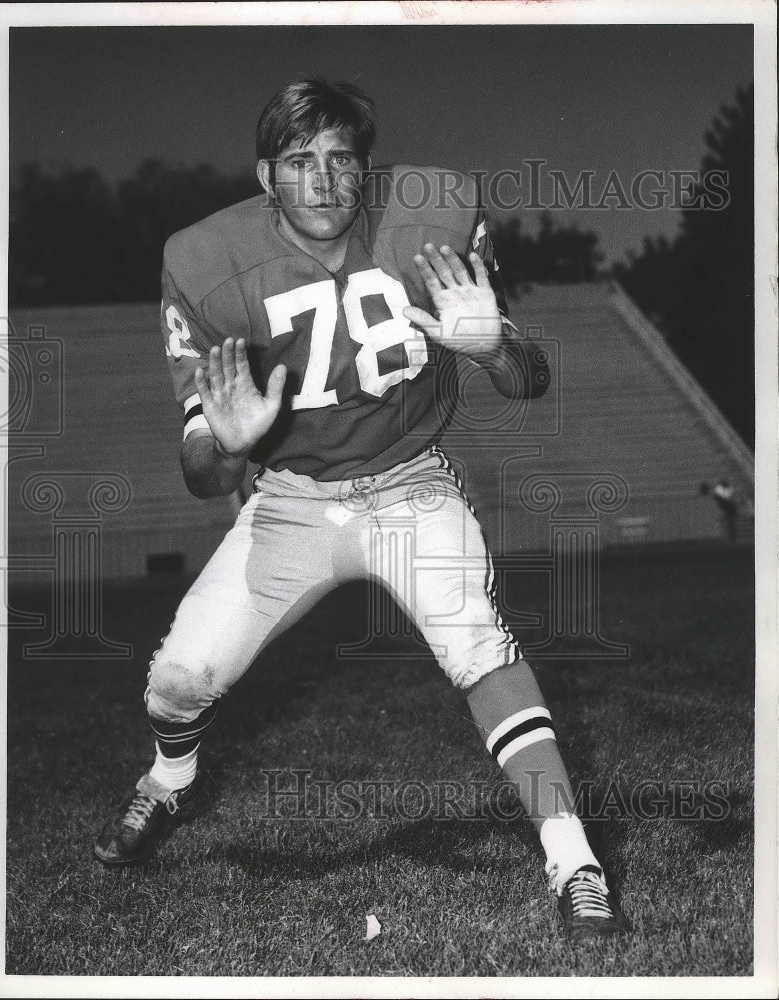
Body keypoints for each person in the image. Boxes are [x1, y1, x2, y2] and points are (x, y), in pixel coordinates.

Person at [94, 78, 630, 942]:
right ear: (267, 176)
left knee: (478, 646)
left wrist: (495, 349)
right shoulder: (205, 263)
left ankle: (576, 863)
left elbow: (529, 377)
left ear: (366, 169)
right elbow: (201, 471)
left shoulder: (435, 214)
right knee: (178, 680)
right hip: (291, 499)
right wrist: (227, 442)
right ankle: (171, 777)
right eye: (300, 162)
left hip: (408, 480)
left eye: (342, 159)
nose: (324, 181)